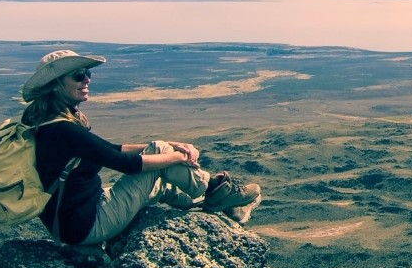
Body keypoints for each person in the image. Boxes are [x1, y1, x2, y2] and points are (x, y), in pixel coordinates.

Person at [19, 49, 260, 246]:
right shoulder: (63, 129)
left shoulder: (49, 124)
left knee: (160, 179)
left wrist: (172, 146)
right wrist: (173, 155)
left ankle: (221, 205)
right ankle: (216, 189)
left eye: (88, 74)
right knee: (158, 154)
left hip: (76, 219)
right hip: (87, 225)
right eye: (79, 76)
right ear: (55, 85)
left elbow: (110, 148)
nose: (87, 80)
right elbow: (128, 165)